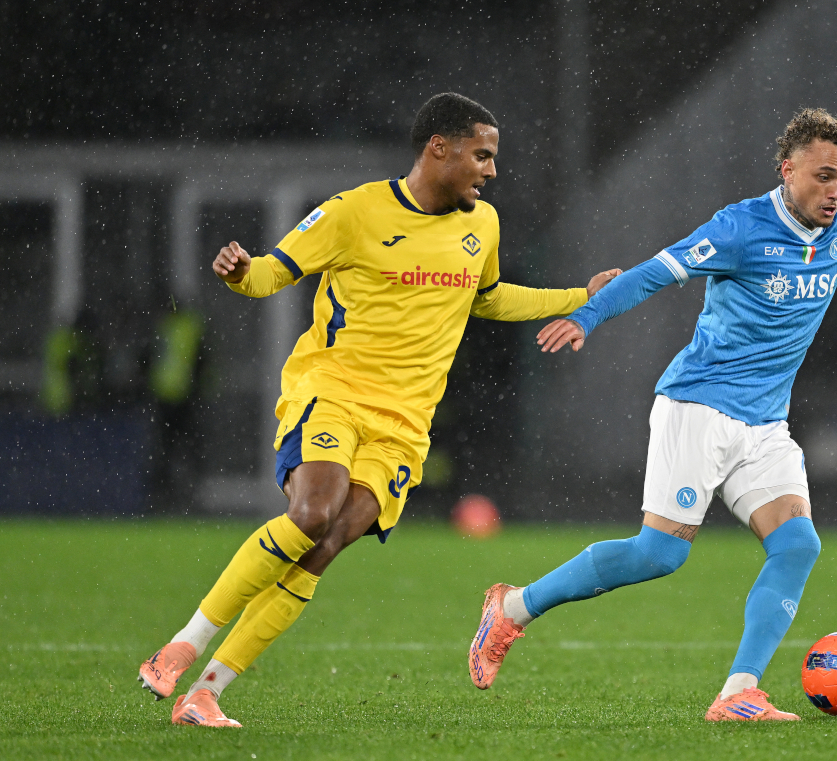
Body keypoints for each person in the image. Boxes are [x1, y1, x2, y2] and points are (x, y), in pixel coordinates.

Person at [469, 107, 837, 721]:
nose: (836, 192)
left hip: (765, 425)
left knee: (798, 546)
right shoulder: (739, 229)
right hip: (698, 405)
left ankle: (737, 694)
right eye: (824, 176)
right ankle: (511, 609)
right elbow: (655, 272)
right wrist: (587, 316)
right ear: (789, 169)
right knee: (659, 556)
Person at [138, 92, 620, 728]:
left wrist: (575, 297)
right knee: (311, 513)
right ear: (437, 149)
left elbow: (491, 298)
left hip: (405, 424)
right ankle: (184, 642)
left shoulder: (484, 227)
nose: (491, 170)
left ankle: (206, 693)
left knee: (328, 542)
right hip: (332, 392)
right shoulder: (353, 212)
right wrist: (239, 271)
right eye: (482, 155)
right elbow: (269, 275)